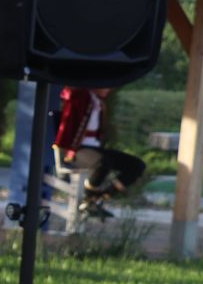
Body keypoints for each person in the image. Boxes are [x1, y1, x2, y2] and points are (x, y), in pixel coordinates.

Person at [54, 86, 145, 219]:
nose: (109, 88)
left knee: (136, 165)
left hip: (96, 149)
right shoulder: (81, 96)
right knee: (103, 163)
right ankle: (89, 198)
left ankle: (100, 197)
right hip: (77, 149)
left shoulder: (99, 101)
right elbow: (69, 94)